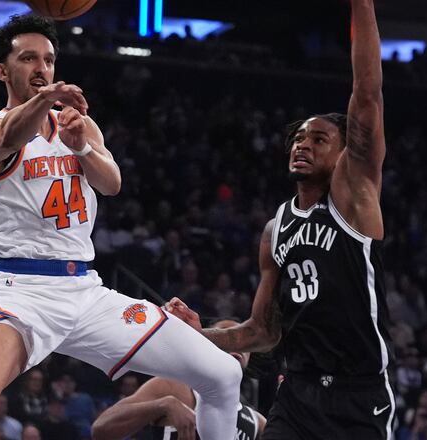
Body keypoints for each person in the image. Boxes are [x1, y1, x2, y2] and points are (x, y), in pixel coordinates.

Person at [0, 14, 241, 440]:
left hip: (86, 292)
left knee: (223, 374)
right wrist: (45, 99)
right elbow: (5, 141)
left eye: (48, 59)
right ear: (2, 70)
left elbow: (112, 183)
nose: (41, 68)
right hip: (24, 292)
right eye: (28, 58)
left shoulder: (76, 125)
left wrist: (81, 145)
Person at [166, 0, 395, 438]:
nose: (302, 144)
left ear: (345, 152)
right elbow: (262, 332)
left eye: (319, 138)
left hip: (359, 395)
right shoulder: (276, 230)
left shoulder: (355, 199)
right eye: (298, 137)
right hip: (298, 395)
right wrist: (197, 334)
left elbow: (367, 92)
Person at [92, 320, 266, 440]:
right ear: (207, 347)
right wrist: (162, 405)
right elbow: (101, 429)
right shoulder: (173, 388)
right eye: (228, 339)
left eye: (243, 343)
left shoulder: (256, 421)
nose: (236, 346)